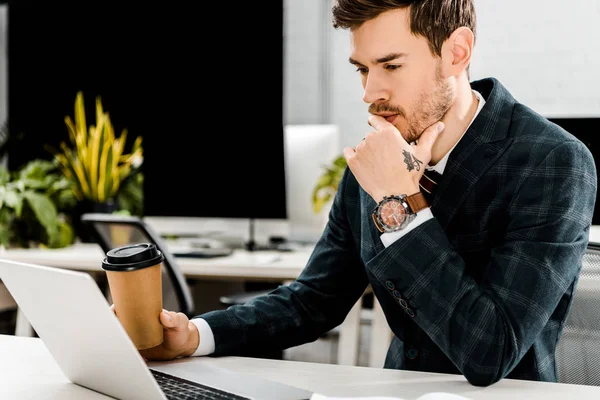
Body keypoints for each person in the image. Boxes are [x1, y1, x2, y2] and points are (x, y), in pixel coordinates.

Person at [122, 0, 598, 387]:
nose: (370, 92)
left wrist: (399, 202)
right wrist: (196, 336)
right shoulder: (376, 158)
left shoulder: (552, 162)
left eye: (390, 65)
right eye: (361, 70)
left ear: (457, 51)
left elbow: (489, 349)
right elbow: (314, 300)